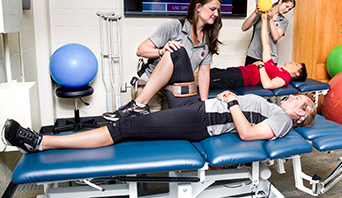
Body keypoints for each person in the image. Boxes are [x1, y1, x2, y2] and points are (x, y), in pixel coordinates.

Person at [2, 91, 317, 153]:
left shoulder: (282, 120)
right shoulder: (272, 106)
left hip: (200, 121)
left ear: (301, 114)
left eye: (302, 103)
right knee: (126, 128)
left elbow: (248, 134)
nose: (294, 99)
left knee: (124, 128)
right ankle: (44, 141)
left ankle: (40, 142)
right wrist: (228, 100)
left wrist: (232, 101)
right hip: (200, 112)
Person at [103, 0, 223, 121]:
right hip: (149, 88)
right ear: (198, 7)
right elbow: (140, 50)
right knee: (149, 128)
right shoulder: (174, 27)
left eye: (218, 10)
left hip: (173, 92)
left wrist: (204, 104)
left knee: (172, 128)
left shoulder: (208, 39)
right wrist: (161, 51)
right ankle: (138, 105)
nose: (216, 14)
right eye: (212, 9)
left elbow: (204, 74)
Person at [210, 12, 306, 90]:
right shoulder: (274, 66)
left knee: (206, 79)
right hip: (238, 71)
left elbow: (268, 85)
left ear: (296, 73)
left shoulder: (285, 77)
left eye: (296, 65)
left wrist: (261, 65)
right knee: (208, 73)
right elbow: (266, 43)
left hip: (239, 78)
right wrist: (264, 20)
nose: (293, 62)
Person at [242, 0, 296, 66]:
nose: (286, 10)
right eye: (286, 6)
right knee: (248, 77)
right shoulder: (262, 13)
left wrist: (271, 20)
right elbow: (244, 28)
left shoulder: (283, 21)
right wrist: (255, 12)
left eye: (289, 9)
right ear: (280, 1)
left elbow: (275, 37)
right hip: (253, 55)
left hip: (270, 58)